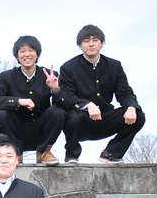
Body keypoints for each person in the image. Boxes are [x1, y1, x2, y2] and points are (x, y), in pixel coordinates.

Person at [59, 25, 145, 163]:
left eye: (95, 40)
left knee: (138, 115)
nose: (91, 44)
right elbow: (67, 95)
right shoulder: (68, 68)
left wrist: (131, 106)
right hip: (81, 122)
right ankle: (71, 155)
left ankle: (111, 154)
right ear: (80, 45)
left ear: (102, 43)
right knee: (71, 116)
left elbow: (125, 92)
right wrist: (87, 105)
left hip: (105, 120)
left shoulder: (114, 66)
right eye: (86, 41)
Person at [0, 36, 64, 166]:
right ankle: (15, 152)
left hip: (40, 129)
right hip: (16, 131)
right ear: (17, 56)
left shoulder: (50, 75)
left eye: (31, 50)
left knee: (58, 112)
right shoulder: (7, 76)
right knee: (1, 114)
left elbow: (65, 104)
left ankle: (44, 152)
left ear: (37, 54)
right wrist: (18, 101)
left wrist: (56, 90)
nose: (27, 54)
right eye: (22, 51)